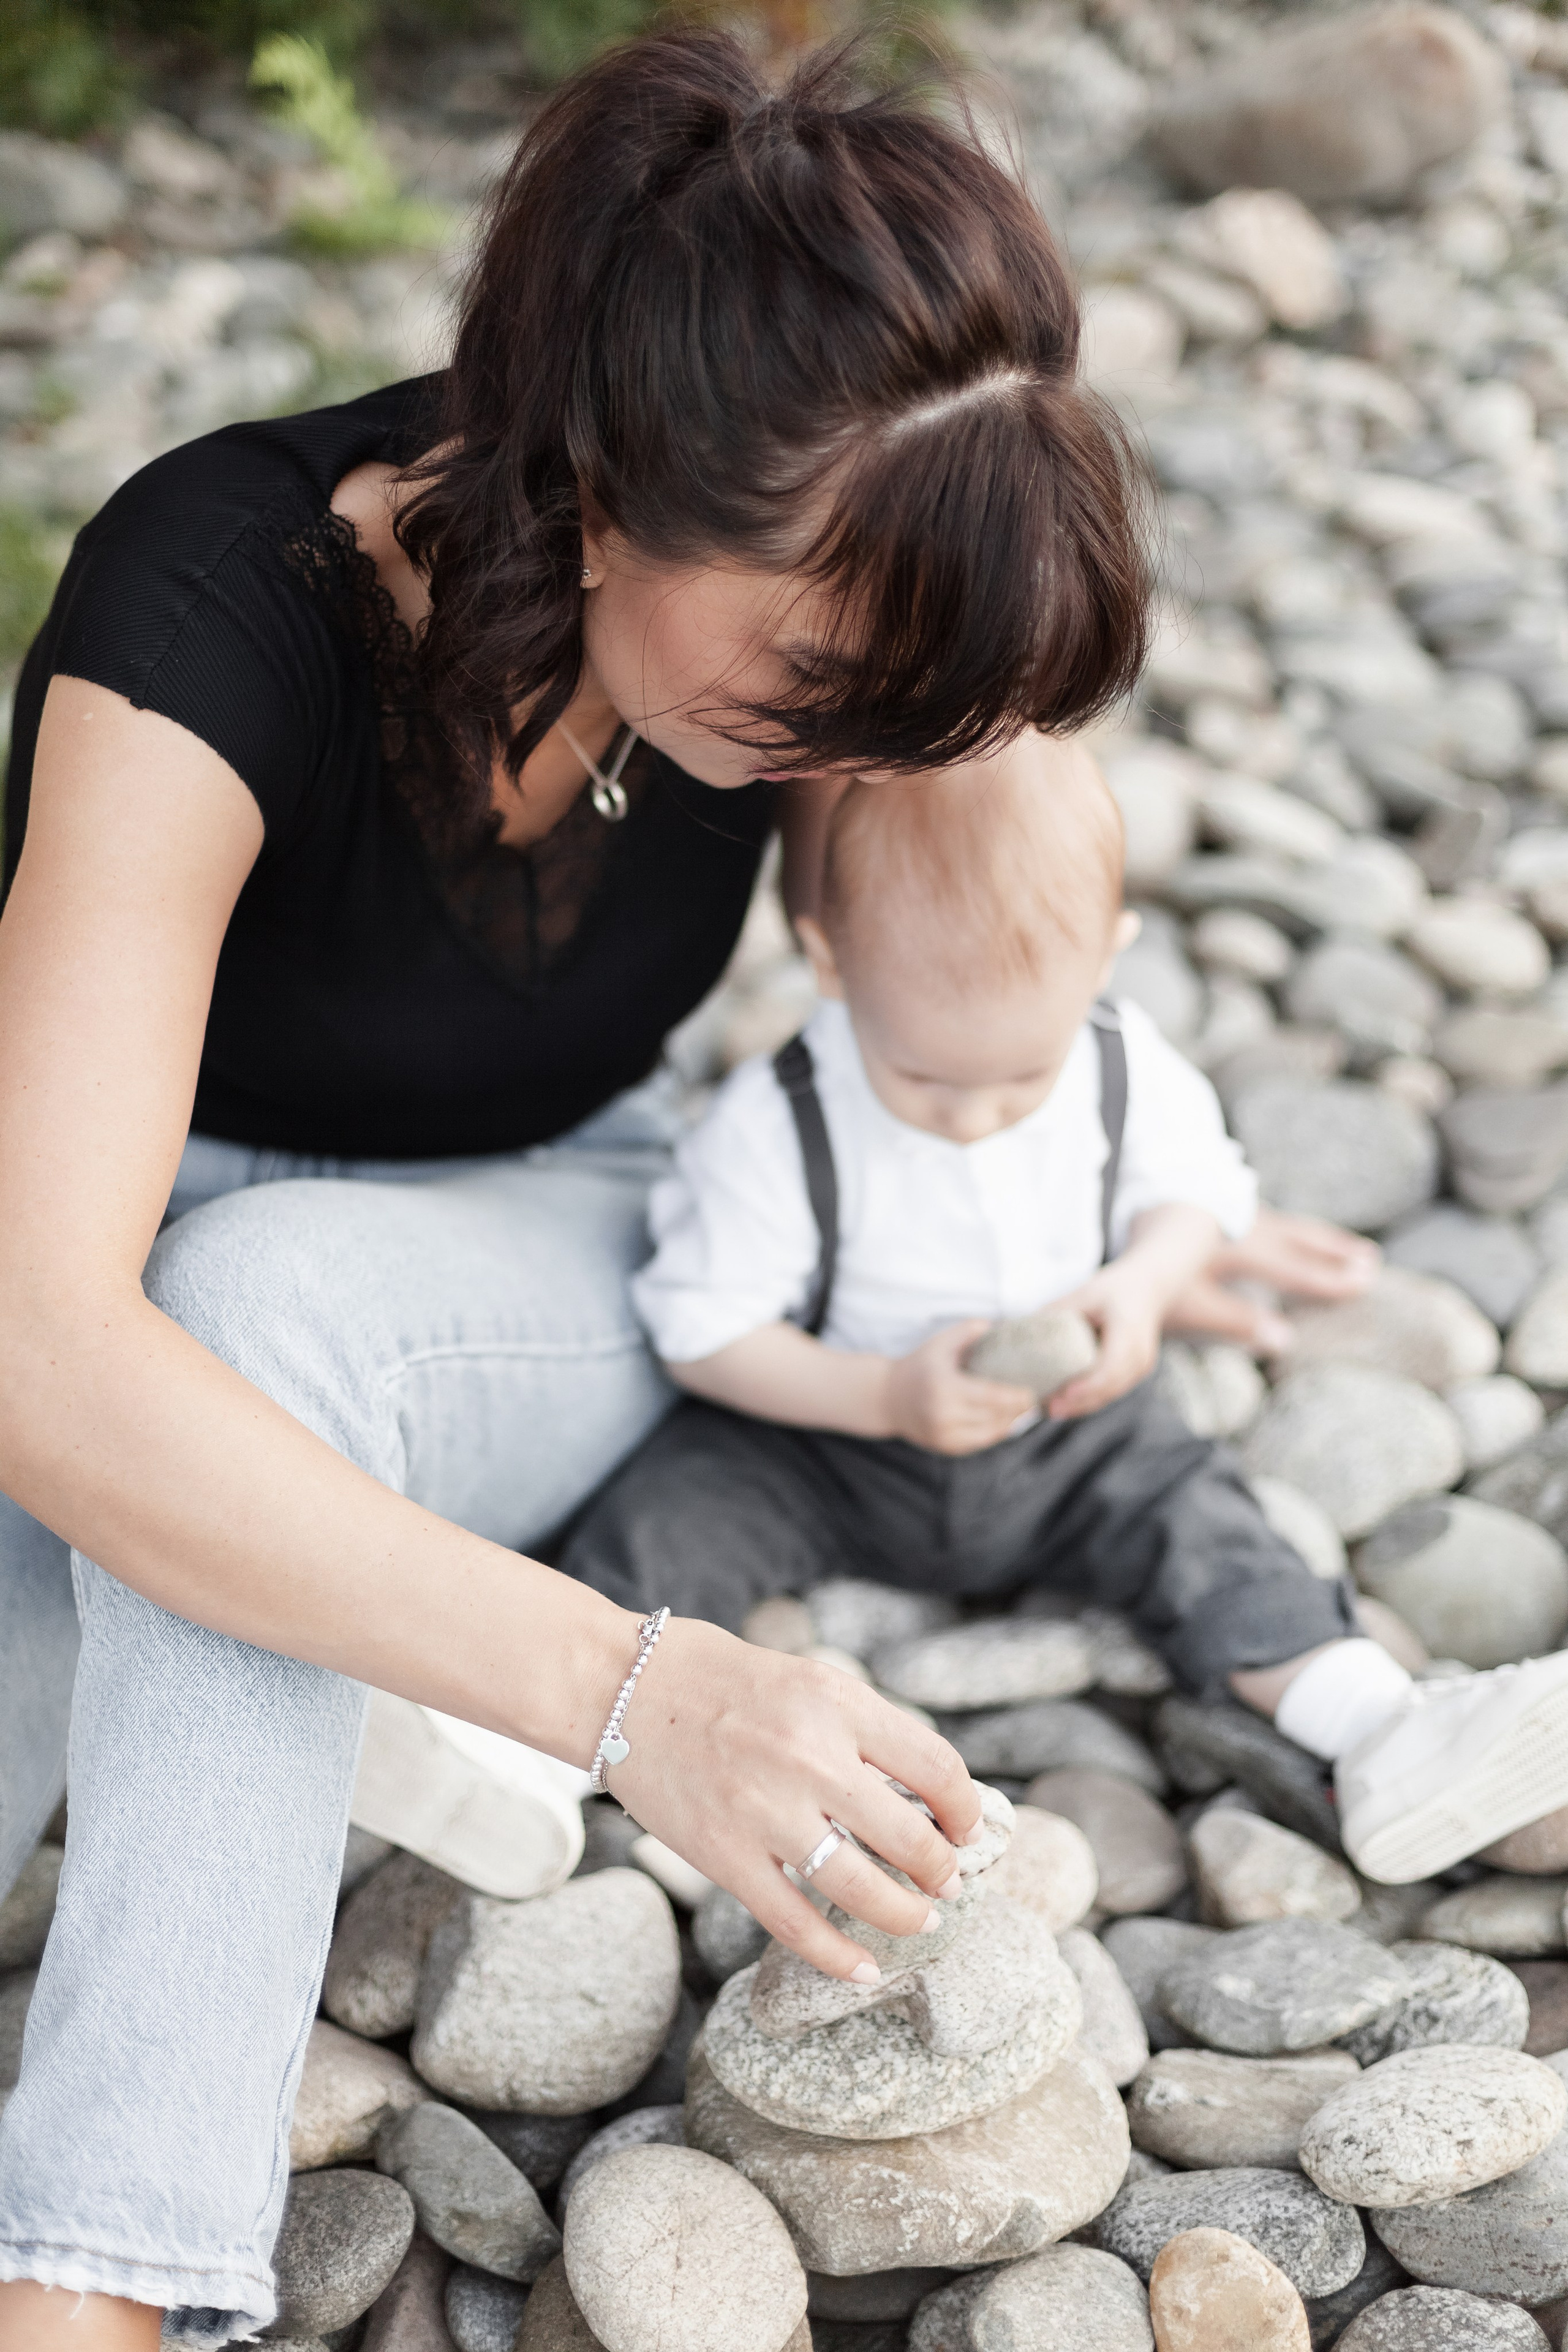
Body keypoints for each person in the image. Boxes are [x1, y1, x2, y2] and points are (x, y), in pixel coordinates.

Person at [0, 29, 1368, 2350]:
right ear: (618, 464)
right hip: (88, 1245)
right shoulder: (211, 598)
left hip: (527, 1252)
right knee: (98, 1542)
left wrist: (1121, 1209)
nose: (853, 745)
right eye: (824, 673)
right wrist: (652, 1705)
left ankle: (102, 2292)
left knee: (249, 1330)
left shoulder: (835, 639)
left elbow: (994, 957)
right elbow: (40, 1340)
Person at [560, 755, 1568, 1887]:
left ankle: (1375, 1726)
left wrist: (1141, 1289)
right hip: (829, 1438)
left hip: (1069, 1431)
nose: (979, 1118)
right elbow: (702, 1334)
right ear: (830, 964)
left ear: (1107, 959)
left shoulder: (1120, 1064)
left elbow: (1197, 1199)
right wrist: (880, 1395)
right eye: (929, 1082)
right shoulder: (774, 1126)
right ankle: (533, 1753)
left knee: (1198, 1514)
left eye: (1020, 1079)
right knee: (674, 1510)